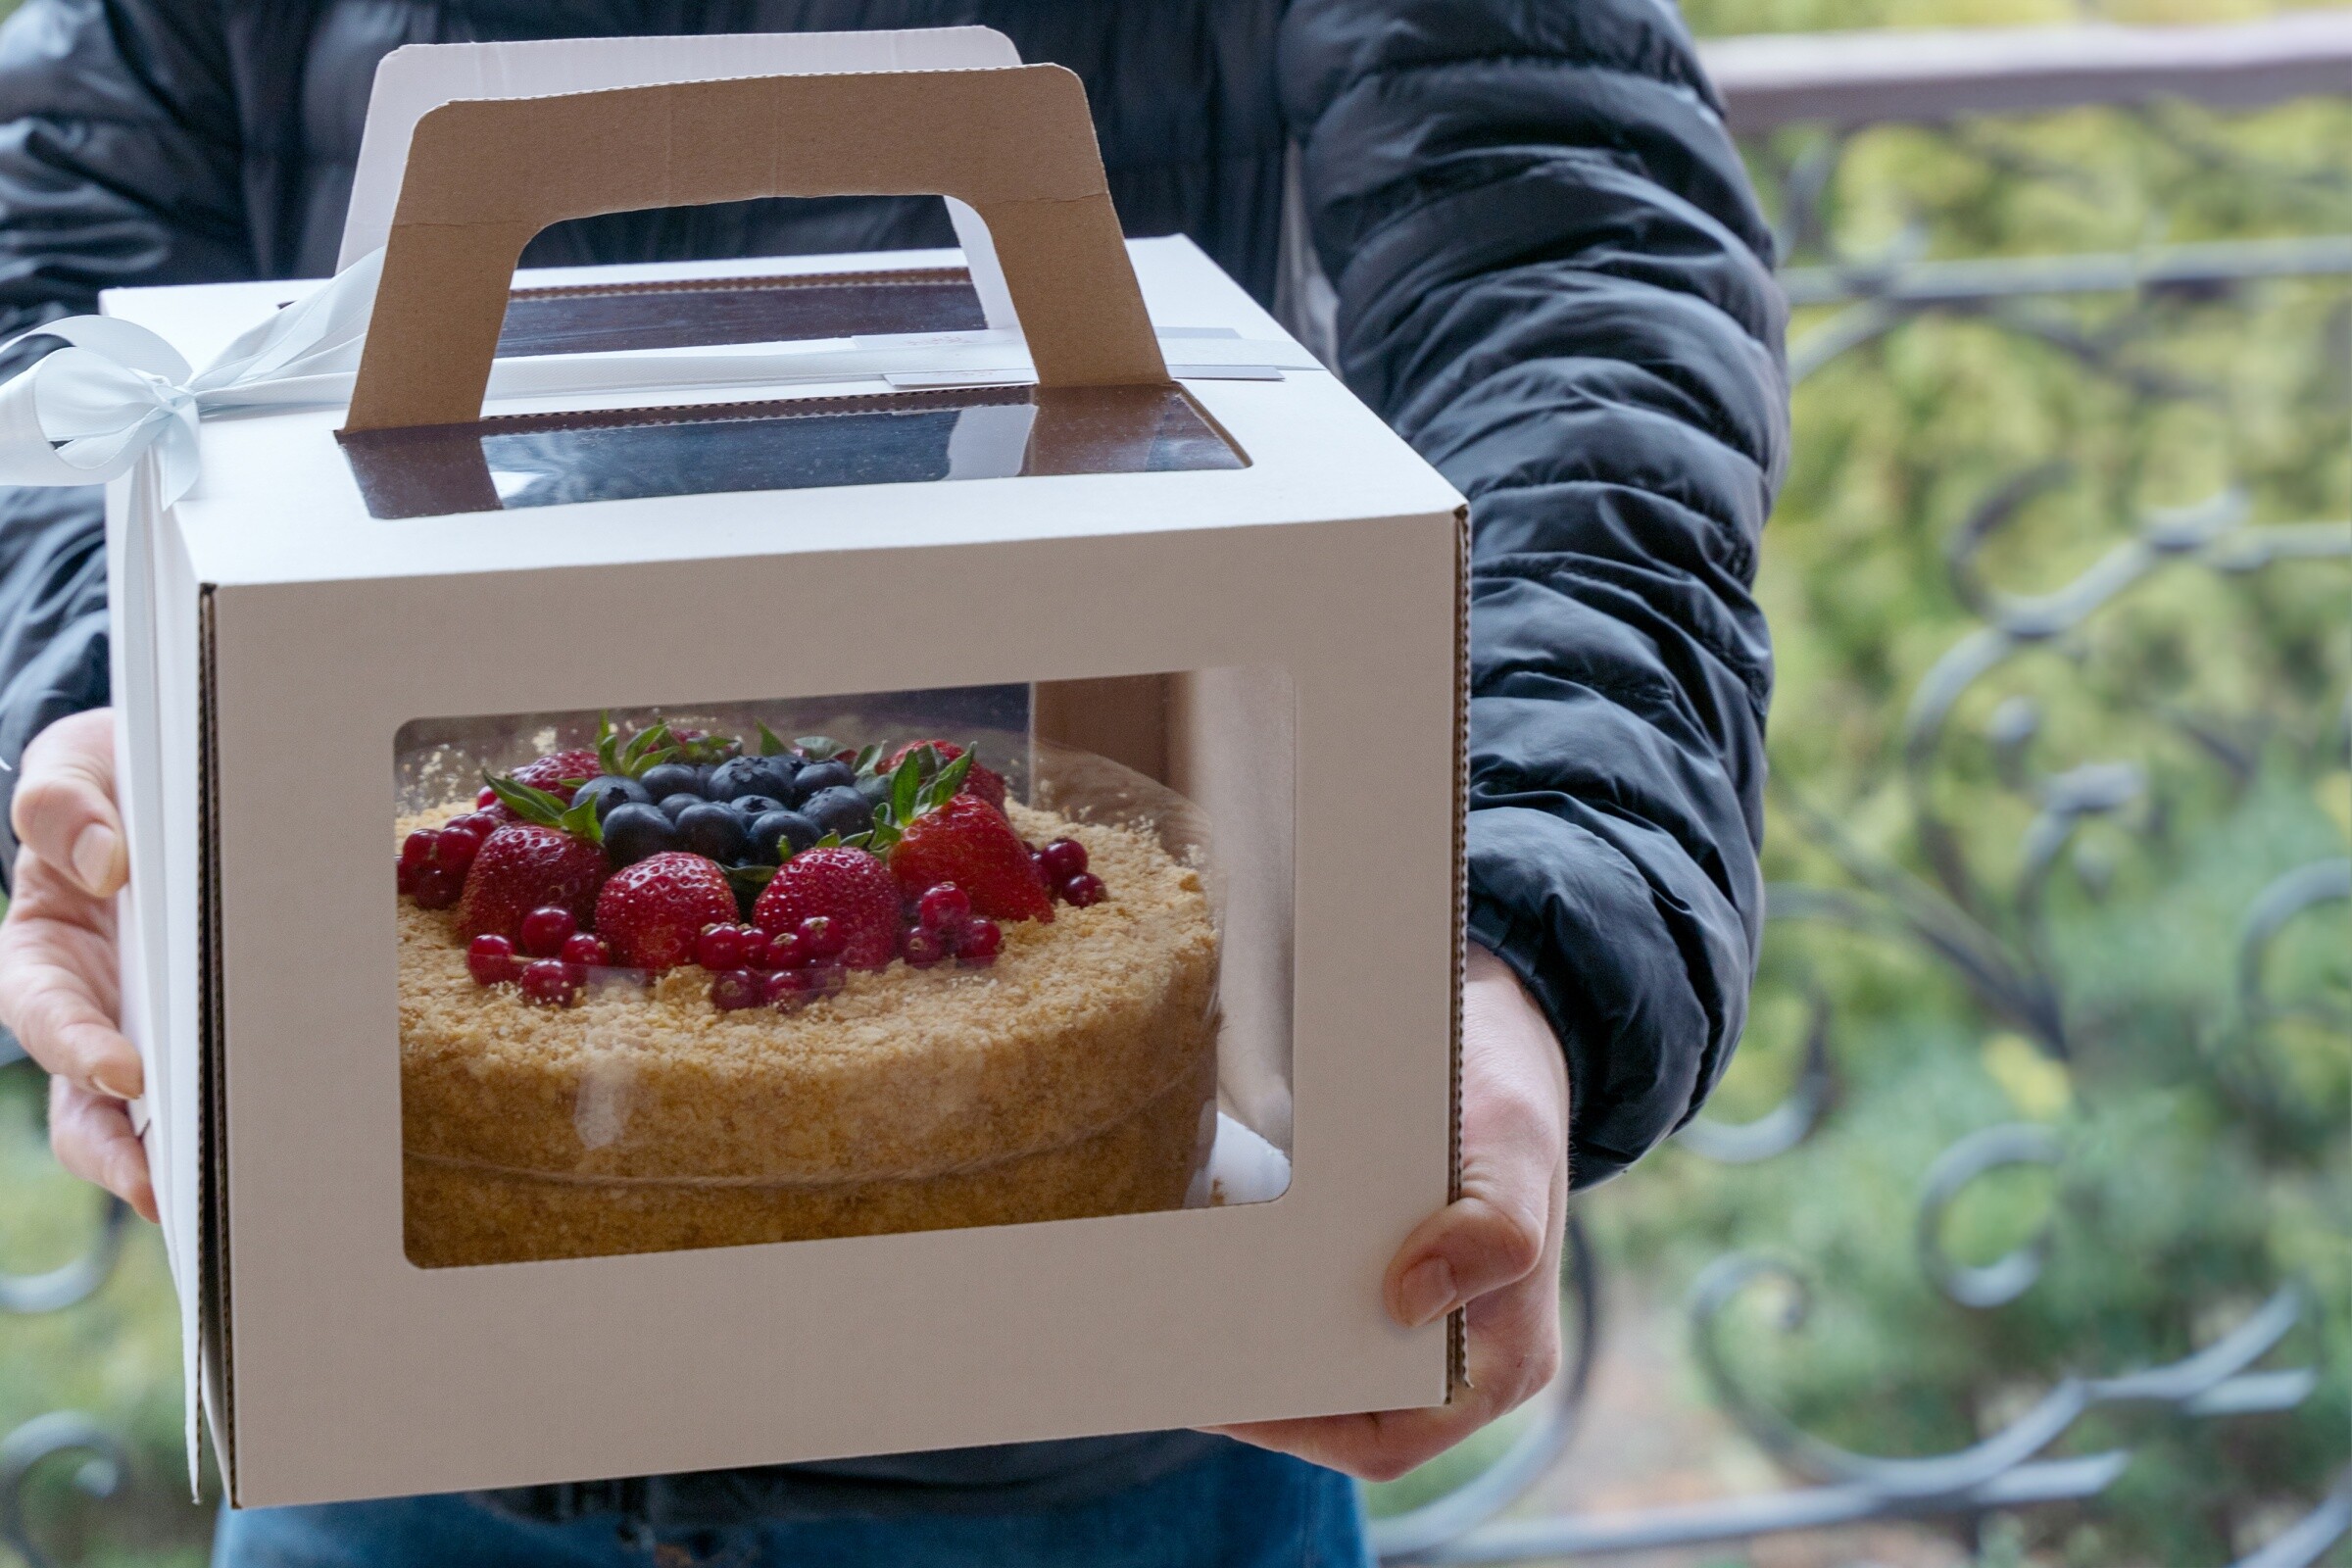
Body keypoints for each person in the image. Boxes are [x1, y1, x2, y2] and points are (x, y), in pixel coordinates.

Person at [0, 2, 1785, 1564]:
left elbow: (1572, 272)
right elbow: (54, 260)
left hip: (1136, 1417)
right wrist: (118, 714)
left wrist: (1502, 923)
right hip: (393, 1438)